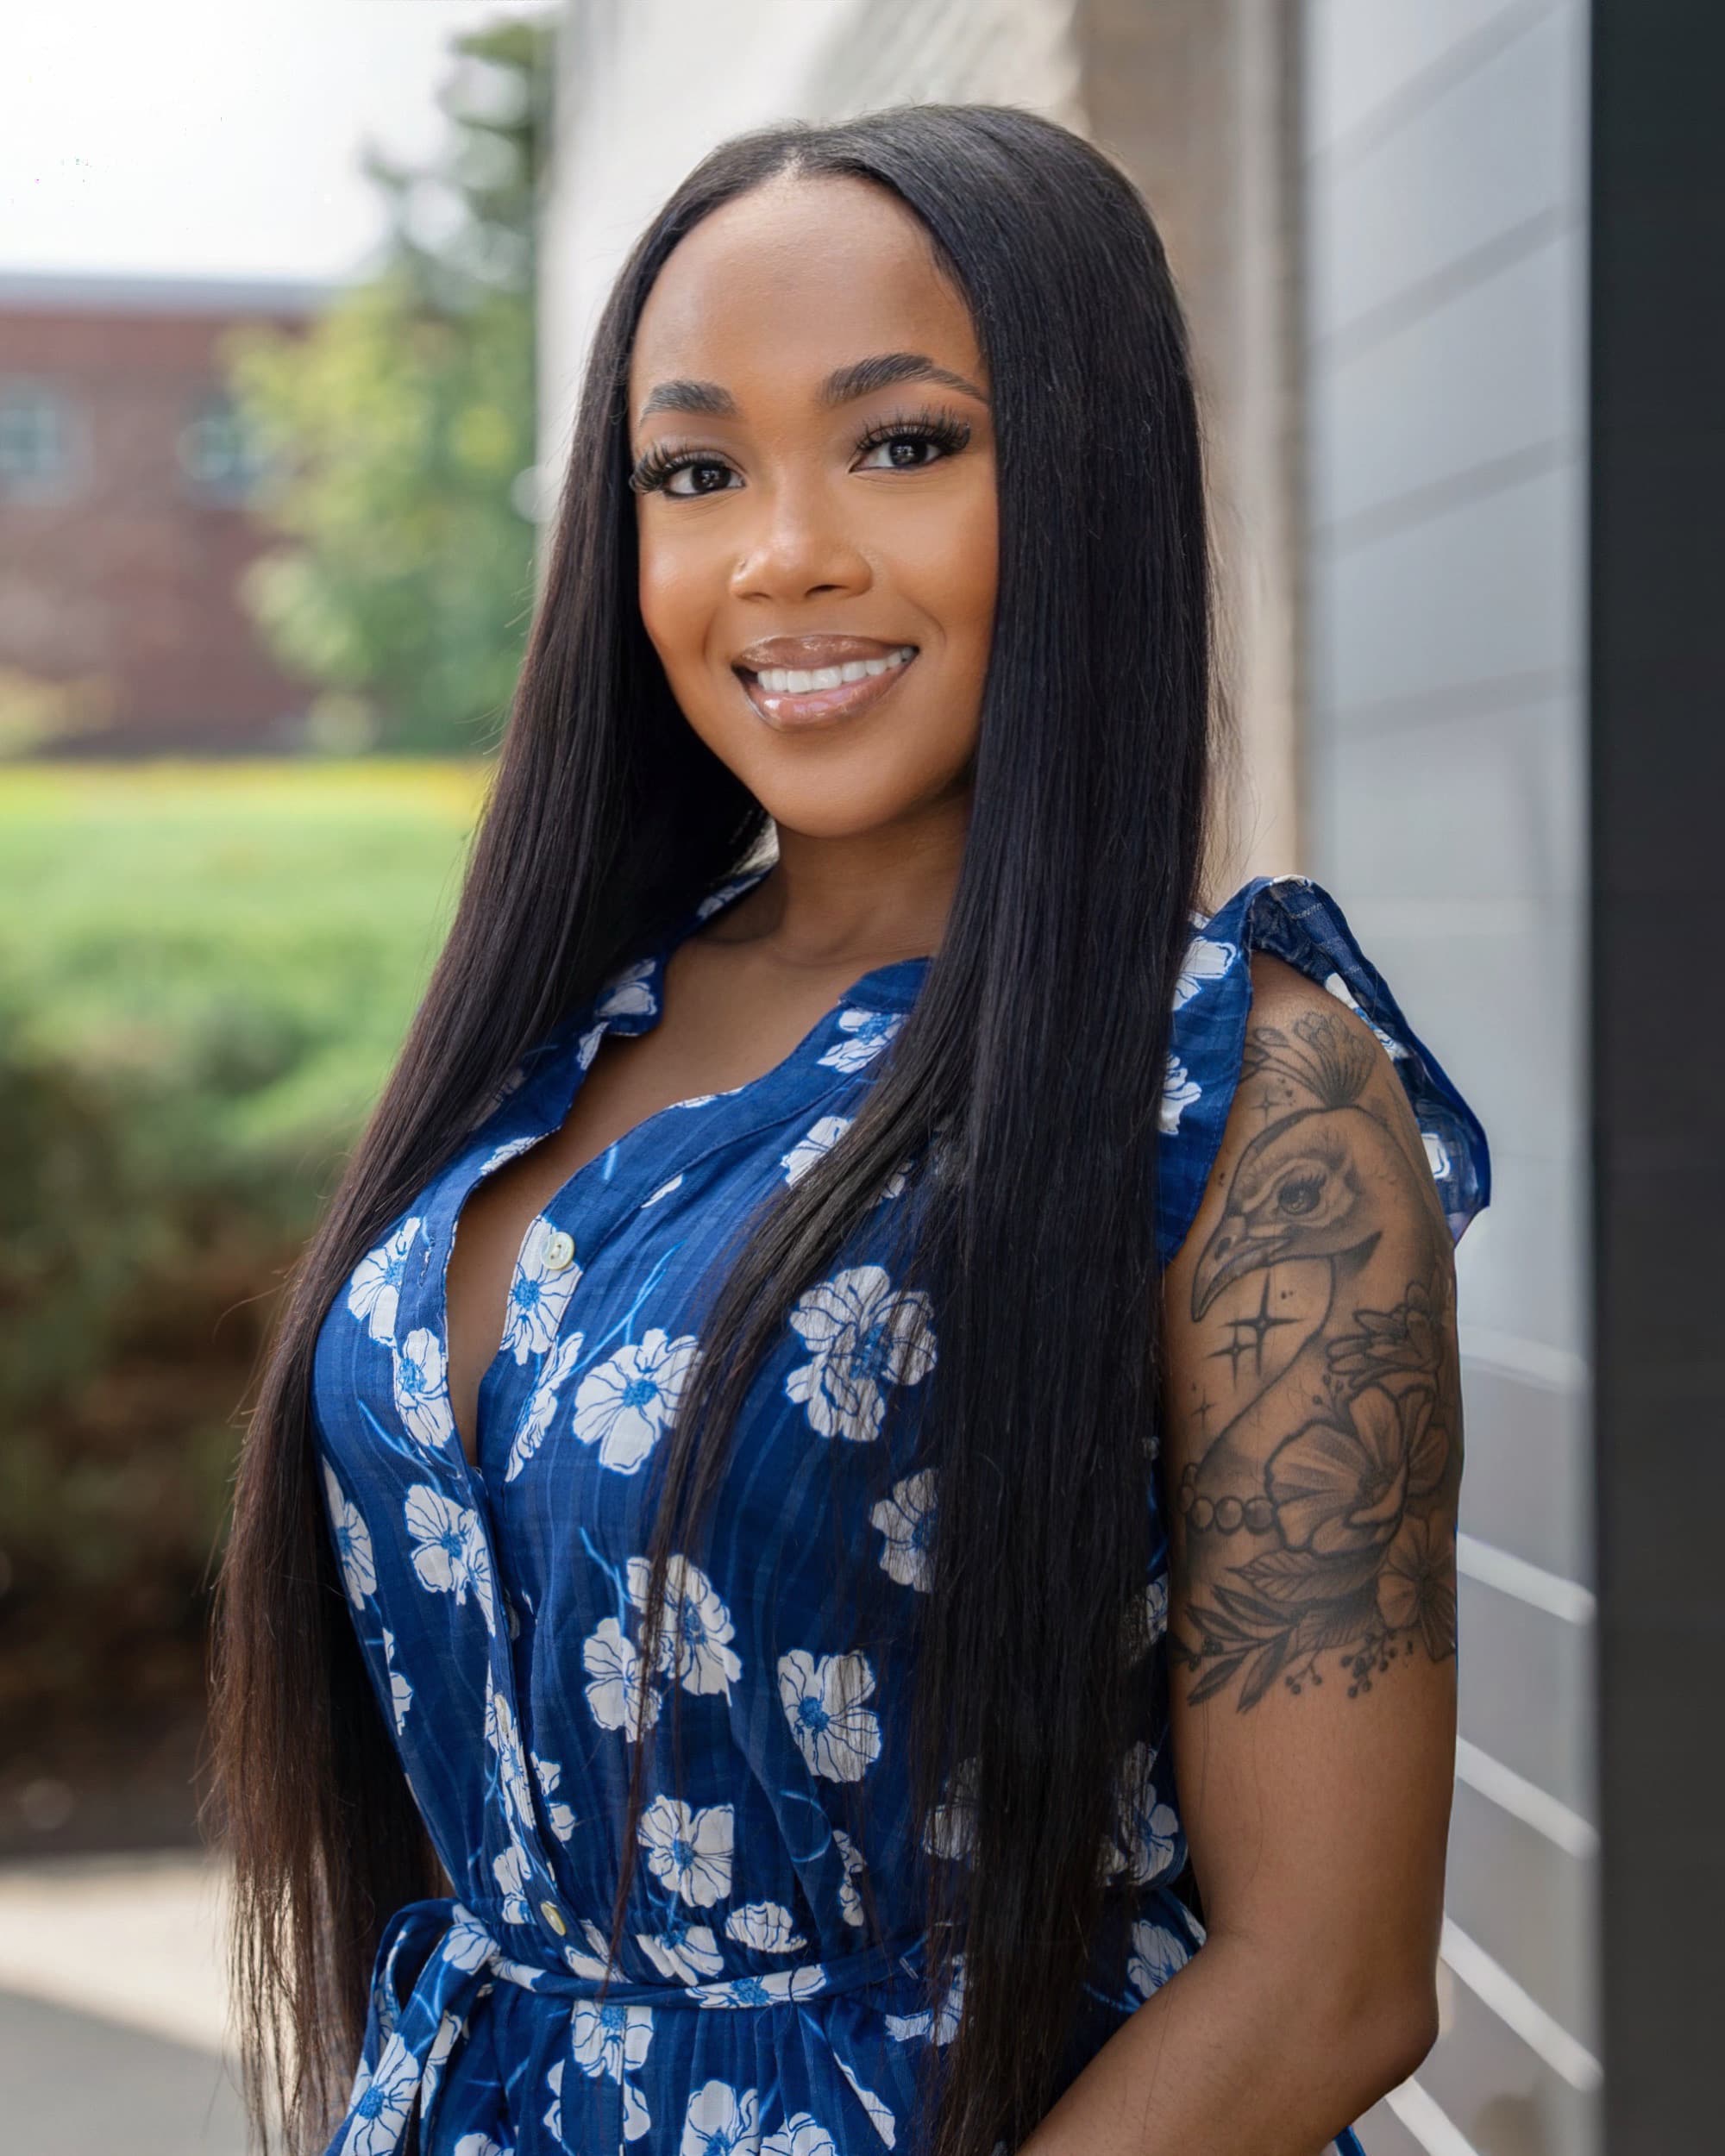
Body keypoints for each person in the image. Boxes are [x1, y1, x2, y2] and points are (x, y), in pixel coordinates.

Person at [210, 103, 1490, 2156]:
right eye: (695, 470)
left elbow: (1325, 1982)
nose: (782, 549)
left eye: (901, 442)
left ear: (1081, 480)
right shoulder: (558, 1024)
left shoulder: (1243, 1096)